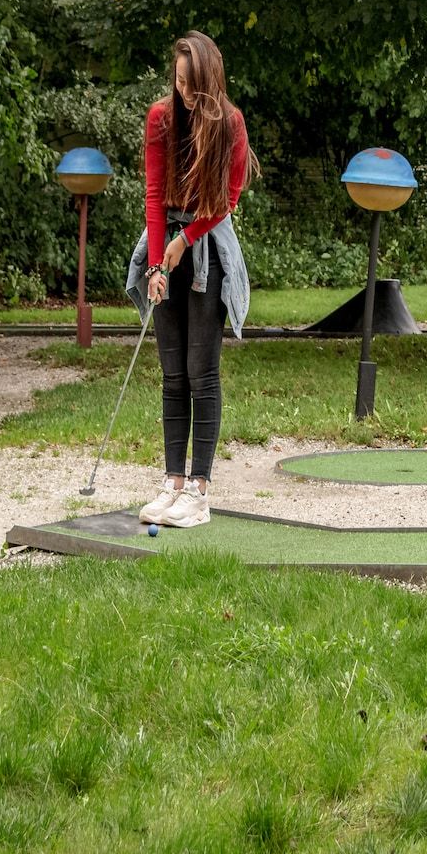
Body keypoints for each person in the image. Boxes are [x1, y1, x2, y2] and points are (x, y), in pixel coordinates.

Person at [126, 32, 255, 527]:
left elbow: (228, 199)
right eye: (177, 82)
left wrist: (185, 243)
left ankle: (199, 492)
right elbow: (155, 195)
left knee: (202, 372)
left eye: (190, 83)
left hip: (209, 246)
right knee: (172, 374)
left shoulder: (231, 123)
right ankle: (171, 484)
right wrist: (157, 262)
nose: (182, 91)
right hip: (169, 247)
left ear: (209, 81)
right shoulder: (161, 118)